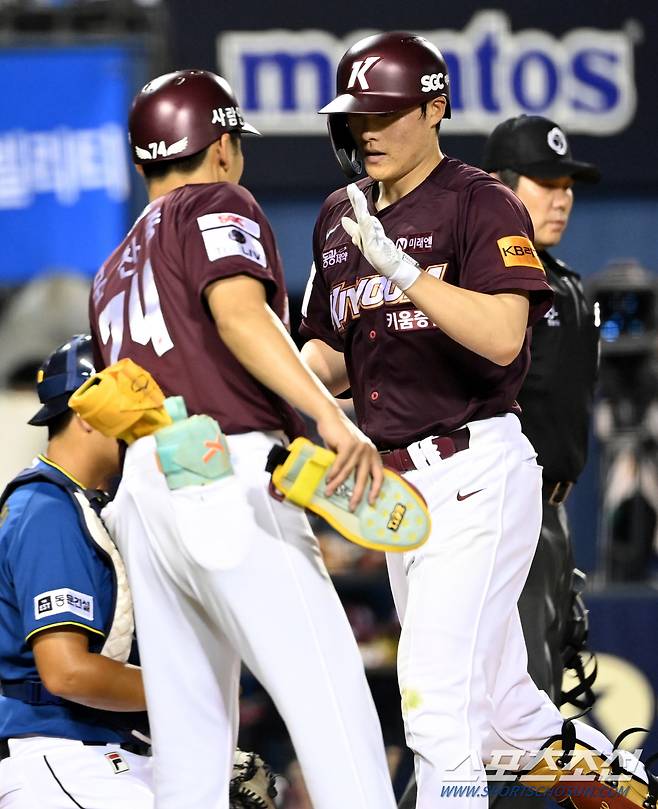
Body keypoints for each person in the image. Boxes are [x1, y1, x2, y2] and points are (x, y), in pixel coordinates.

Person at [299, 32, 650, 809]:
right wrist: (273, 373)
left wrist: (402, 271)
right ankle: (633, 793)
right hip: (397, 492)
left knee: (432, 698)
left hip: (473, 470)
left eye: (386, 113)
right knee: (508, 721)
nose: (367, 131)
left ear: (434, 107)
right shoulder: (338, 215)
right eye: (357, 116)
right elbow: (329, 347)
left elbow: (501, 335)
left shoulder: (478, 200)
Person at [87, 70, 397, 809]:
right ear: (221, 145)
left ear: (142, 164)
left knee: (191, 751)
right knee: (333, 707)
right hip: (223, 475)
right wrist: (329, 414)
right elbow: (238, 314)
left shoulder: (108, 268)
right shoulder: (216, 201)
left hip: (148, 491)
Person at [0, 335, 153, 809]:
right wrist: (189, 689)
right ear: (87, 414)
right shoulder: (47, 508)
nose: (144, 427)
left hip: (104, 752)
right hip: (59, 754)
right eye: (131, 411)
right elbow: (66, 673)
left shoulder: (85, 504)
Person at [482, 114, 600, 706]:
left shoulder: (564, 283)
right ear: (502, 186)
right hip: (504, 511)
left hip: (552, 515)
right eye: (545, 182)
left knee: (534, 704)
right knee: (515, 720)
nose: (562, 197)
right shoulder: (481, 284)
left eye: (568, 184)